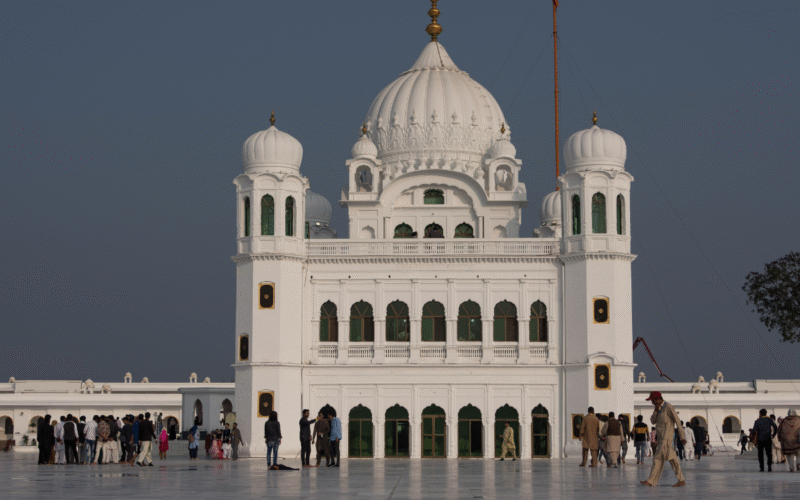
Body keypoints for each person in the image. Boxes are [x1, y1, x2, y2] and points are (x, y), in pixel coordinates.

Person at [640, 391, 686, 488]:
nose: (652, 402)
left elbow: (678, 421)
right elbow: (653, 421)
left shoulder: (668, 407)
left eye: (652, 400)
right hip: (661, 438)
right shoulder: (658, 409)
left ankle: (651, 481)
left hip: (667, 438)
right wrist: (656, 411)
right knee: (672, 459)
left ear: (657, 399)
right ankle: (681, 480)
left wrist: (682, 436)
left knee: (657, 459)